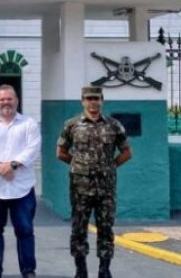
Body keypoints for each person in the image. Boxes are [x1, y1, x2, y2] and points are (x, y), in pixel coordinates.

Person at [56, 85, 133, 278]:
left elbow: (126, 153)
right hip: (80, 188)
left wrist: (110, 166)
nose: (93, 102)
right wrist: (78, 165)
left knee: (106, 229)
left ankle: (104, 269)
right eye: (89, 99)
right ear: (82, 101)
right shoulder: (71, 125)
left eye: (96, 98)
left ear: (102, 100)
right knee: (79, 228)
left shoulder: (113, 125)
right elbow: (61, 153)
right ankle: (80, 269)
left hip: (105, 188)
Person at [0, 85, 40, 278]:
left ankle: (28, 271)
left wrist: (12, 165)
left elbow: (33, 149)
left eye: (9, 99)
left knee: (25, 231)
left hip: (22, 188)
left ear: (17, 100)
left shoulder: (29, 123)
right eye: (2, 99)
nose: (6, 102)